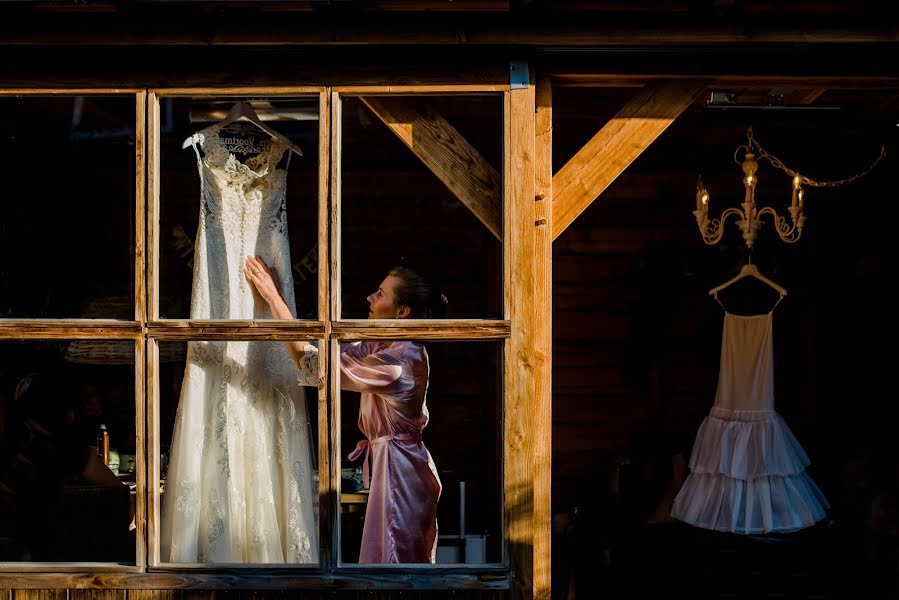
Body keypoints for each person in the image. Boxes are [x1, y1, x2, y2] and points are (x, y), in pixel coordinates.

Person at [245, 256, 445, 564]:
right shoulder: (383, 346)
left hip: (402, 472)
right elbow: (321, 350)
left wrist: (273, 297)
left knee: (395, 563)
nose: (370, 298)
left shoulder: (398, 363)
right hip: (394, 465)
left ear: (402, 312)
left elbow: (314, 365)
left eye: (380, 294)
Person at [0, 371, 126, 560]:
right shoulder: (74, 453)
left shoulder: (14, 453)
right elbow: (119, 498)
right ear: (68, 413)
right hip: (65, 560)